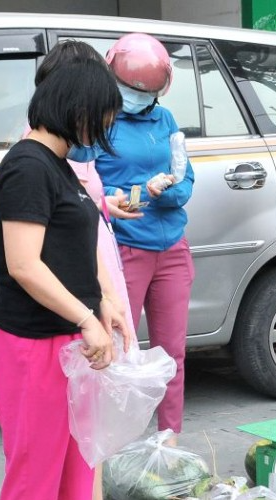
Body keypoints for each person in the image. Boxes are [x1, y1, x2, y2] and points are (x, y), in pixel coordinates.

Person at [0, 45, 131, 500]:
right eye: (103, 113)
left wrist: (108, 302)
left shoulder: (63, 167)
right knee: (34, 467)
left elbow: (75, 247)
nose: (106, 126)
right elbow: (23, 264)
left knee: (78, 460)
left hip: (71, 342)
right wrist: (85, 318)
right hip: (29, 344)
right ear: (76, 107)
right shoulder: (26, 166)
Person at [33, 39, 143, 500]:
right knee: (76, 421)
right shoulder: (41, 158)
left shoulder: (74, 153)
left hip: (99, 277)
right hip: (76, 294)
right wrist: (91, 307)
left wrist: (108, 206)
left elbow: (83, 213)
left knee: (90, 417)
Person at [95, 33, 195, 438]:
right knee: (119, 353)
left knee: (172, 354)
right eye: (135, 89)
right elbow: (87, 189)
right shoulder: (98, 121)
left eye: (150, 91)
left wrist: (167, 191)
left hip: (172, 246)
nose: (141, 97)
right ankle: (115, 446)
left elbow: (185, 176)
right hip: (124, 249)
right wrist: (137, 194)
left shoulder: (166, 119)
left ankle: (168, 442)